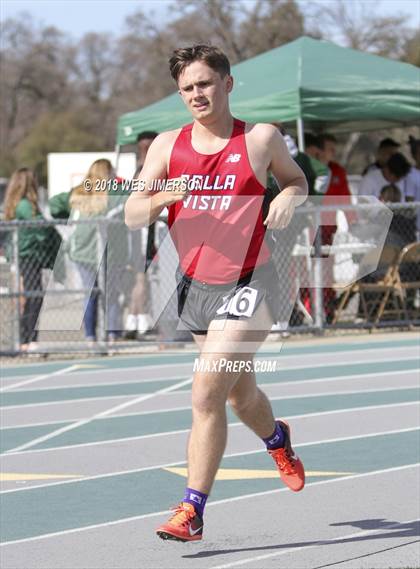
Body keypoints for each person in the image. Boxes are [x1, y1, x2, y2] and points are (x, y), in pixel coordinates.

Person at [125, 44, 308, 542]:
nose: (196, 95)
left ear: (227, 83)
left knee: (206, 391)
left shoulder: (261, 138)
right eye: (186, 88)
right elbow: (132, 213)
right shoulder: (166, 145)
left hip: (250, 280)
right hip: (196, 285)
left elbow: (296, 180)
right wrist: (168, 193)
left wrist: (288, 197)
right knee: (240, 397)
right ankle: (277, 438)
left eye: (204, 83)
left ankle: (192, 509)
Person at [50, 159, 130, 345]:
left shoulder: (79, 191)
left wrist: (67, 218)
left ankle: (91, 337)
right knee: (111, 295)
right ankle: (112, 336)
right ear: (108, 173)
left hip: (86, 252)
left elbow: (54, 204)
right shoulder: (114, 192)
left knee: (90, 294)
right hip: (105, 253)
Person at [4, 168, 46, 351]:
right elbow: (40, 227)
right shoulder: (25, 205)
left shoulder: (19, 204)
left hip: (25, 255)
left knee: (29, 296)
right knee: (33, 296)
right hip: (27, 255)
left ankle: (26, 339)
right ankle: (27, 339)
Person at [125, 131, 158, 338]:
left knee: (141, 279)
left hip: (146, 230)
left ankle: (135, 319)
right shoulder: (144, 170)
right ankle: (138, 319)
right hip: (142, 232)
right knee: (140, 279)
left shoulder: (146, 167)